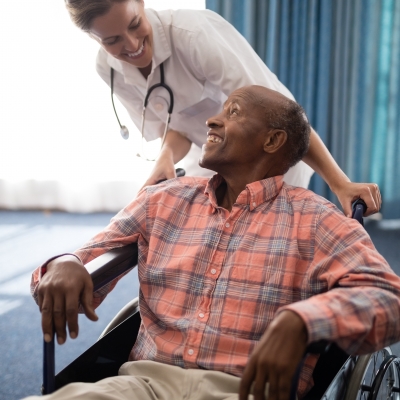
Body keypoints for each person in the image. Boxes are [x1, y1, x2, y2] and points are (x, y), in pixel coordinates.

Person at [27, 86, 400, 400]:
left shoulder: (317, 219)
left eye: (233, 112)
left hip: (246, 390)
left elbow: (388, 299)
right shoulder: (164, 198)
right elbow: (81, 262)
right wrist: (66, 263)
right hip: (141, 385)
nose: (211, 120)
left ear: (272, 140)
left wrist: (304, 321)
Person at [64, 0, 381, 218]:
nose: (132, 45)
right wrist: (165, 157)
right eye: (112, 40)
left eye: (135, 24)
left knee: (257, 252)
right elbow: (178, 124)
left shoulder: (194, 35)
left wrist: (340, 183)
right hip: (212, 162)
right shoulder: (108, 69)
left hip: (266, 158)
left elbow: (283, 118)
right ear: (92, 37)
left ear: (142, 2)